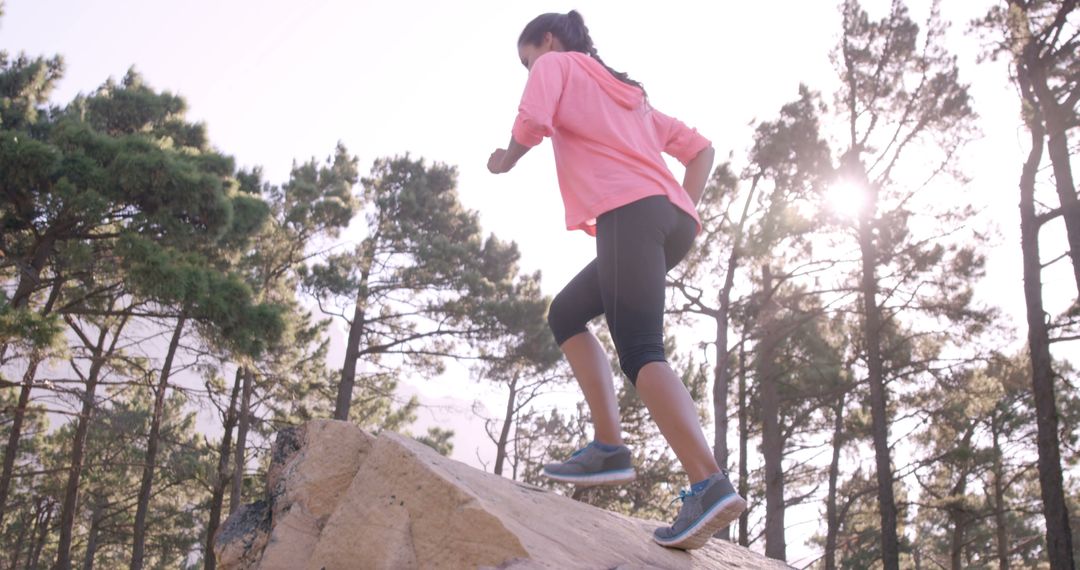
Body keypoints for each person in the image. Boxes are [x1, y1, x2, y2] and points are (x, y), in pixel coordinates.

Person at [486, 10, 747, 550]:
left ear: (549, 40)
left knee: (641, 351)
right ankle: (609, 445)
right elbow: (701, 150)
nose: (529, 70)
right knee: (566, 313)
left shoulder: (557, 64)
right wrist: (680, 207)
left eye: (526, 59)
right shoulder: (627, 93)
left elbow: (532, 120)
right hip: (665, 222)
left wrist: (505, 159)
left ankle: (709, 482)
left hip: (629, 215)